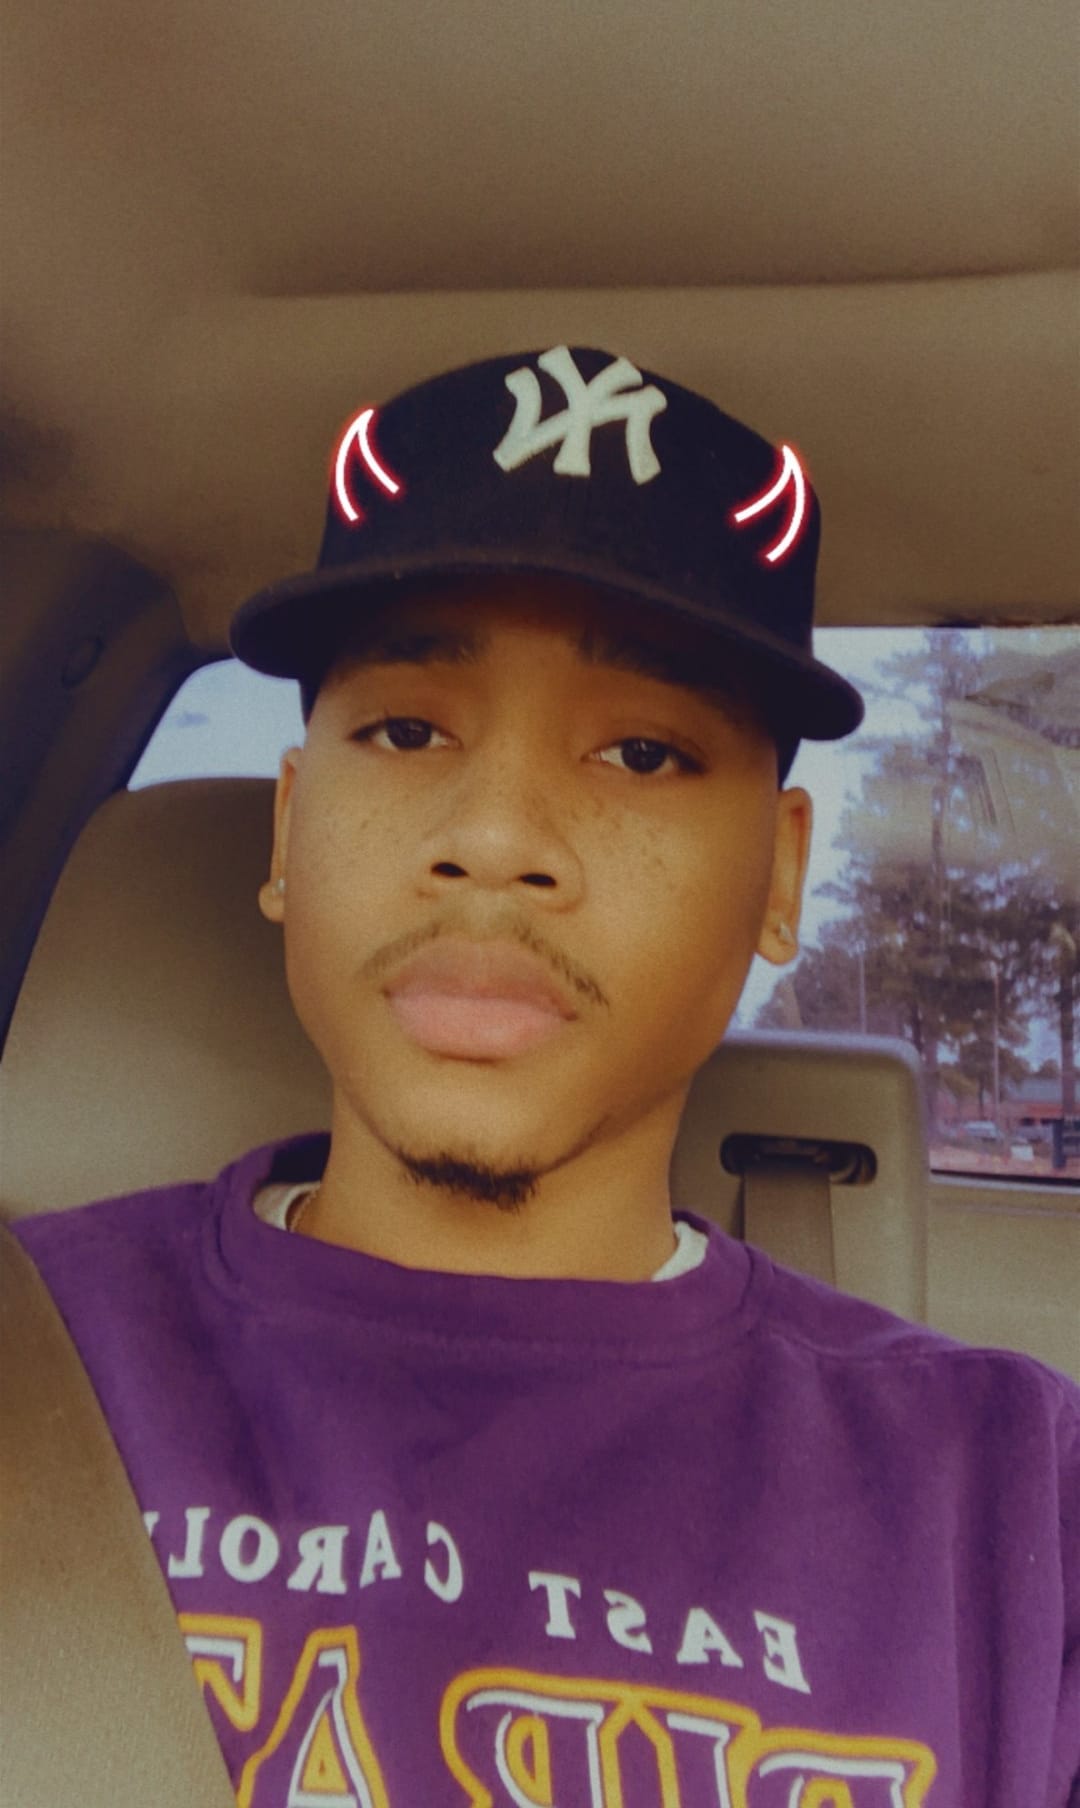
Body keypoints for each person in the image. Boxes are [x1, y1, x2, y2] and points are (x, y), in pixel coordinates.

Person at [11, 346, 1078, 1803]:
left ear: (780, 879)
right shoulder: (32, 1361)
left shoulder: (1011, 1501)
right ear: (289, 830)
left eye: (642, 753)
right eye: (405, 730)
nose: (497, 837)